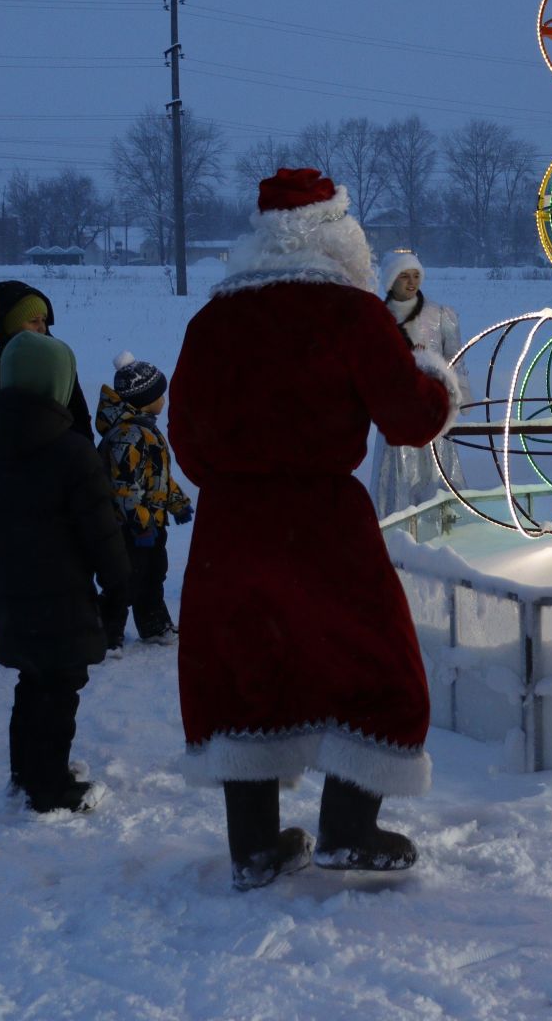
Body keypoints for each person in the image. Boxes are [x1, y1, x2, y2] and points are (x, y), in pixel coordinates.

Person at [170, 168, 458, 891]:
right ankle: (348, 829)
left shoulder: (211, 321)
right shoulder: (351, 315)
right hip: (324, 523)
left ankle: (255, 847)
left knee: (244, 670)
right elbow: (411, 419)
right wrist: (435, 377)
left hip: (230, 528)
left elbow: (187, 442)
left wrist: (242, 477)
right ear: (338, 235)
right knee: (375, 665)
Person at [0, 331, 133, 813]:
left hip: (9, 588)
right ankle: (50, 790)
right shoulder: (71, 453)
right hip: (62, 596)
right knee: (59, 691)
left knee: (32, 684)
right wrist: (121, 585)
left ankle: (28, 773)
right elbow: (102, 533)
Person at [0, 280, 91, 536]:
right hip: (2, 495)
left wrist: (90, 476)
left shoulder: (59, 362)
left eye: (44, 320)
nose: (42, 327)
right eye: (32, 321)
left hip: (57, 491)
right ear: (11, 326)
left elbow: (80, 422)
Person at [95, 351, 191, 650]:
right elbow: (124, 487)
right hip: (129, 528)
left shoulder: (146, 430)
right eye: (159, 394)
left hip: (151, 524)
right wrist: (140, 524)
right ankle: (106, 635)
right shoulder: (128, 436)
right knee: (122, 582)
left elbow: (158, 477)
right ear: (143, 398)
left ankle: (154, 625)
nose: (164, 399)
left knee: (153, 575)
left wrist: (176, 502)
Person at [370, 250, 469, 518]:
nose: (411, 282)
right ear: (390, 280)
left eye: (415, 275)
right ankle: (398, 526)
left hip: (435, 411)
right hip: (397, 415)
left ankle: (446, 522)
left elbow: (456, 360)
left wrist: (457, 396)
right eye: (404, 276)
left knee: (439, 469)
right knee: (400, 472)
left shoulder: (439, 314)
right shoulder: (377, 317)